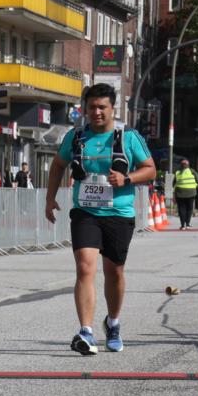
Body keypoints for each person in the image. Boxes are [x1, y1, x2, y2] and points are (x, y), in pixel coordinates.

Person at [45, 83, 156, 355]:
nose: (96, 112)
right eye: (91, 107)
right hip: (86, 212)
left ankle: (113, 323)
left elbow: (150, 169)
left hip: (118, 213)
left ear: (112, 109)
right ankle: (86, 331)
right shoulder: (76, 136)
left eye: (102, 107)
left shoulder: (128, 137)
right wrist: (50, 199)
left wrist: (126, 178)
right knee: (85, 268)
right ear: (84, 108)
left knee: (114, 272)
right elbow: (59, 164)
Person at [173, 158, 198, 230]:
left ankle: (182, 225)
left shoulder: (177, 172)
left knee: (181, 209)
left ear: (181, 165)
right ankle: (188, 224)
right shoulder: (192, 171)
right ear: (188, 165)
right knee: (189, 208)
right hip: (191, 192)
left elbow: (173, 183)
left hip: (180, 193)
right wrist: (195, 186)